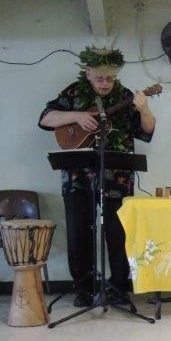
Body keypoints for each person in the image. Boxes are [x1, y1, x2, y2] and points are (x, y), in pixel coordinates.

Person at [38, 47, 156, 307]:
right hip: (78, 177)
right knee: (79, 232)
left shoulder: (126, 96)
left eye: (110, 78)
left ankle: (118, 287)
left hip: (118, 178)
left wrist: (145, 110)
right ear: (88, 73)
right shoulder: (73, 93)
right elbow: (46, 118)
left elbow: (146, 131)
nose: (105, 83)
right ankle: (84, 288)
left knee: (118, 233)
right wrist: (76, 116)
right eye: (100, 78)